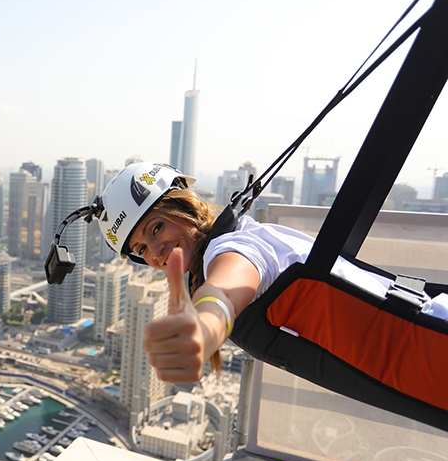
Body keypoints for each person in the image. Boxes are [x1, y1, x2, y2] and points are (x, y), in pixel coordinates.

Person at [93, 161, 448, 384]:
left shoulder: (235, 248)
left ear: (185, 206)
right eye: (140, 250)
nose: (154, 252)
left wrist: (203, 330)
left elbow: (225, 291)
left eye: (155, 229)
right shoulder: (241, 235)